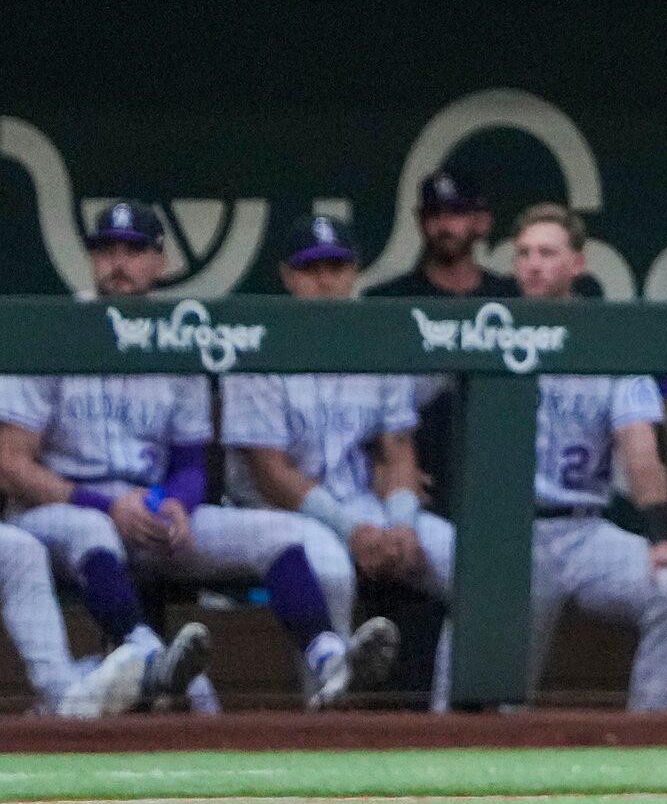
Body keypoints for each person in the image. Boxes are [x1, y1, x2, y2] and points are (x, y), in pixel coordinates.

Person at [0, 201, 396, 714]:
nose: (119, 262)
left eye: (134, 251)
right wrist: (104, 504)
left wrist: (176, 503)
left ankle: (328, 657)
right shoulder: (56, 331)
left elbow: (191, 461)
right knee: (90, 531)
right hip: (65, 509)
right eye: (107, 250)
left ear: (159, 261)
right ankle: (148, 655)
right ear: (91, 258)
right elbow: (12, 462)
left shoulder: (176, 337)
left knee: (281, 535)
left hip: (151, 508)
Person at [223, 218, 455, 706]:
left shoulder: (379, 341)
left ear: (356, 272)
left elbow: (396, 450)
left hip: (361, 505)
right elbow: (271, 473)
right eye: (311, 269)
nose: (325, 280)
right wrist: (353, 530)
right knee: (330, 571)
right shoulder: (257, 344)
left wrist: (403, 524)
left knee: (460, 560)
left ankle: (452, 717)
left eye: (336, 266)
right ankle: (326, 716)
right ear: (287, 276)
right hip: (283, 513)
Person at [506, 204, 667, 710]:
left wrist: (660, 536)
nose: (534, 264)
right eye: (524, 254)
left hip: (583, 528)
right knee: (491, 688)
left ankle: (649, 743)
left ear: (578, 264)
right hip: (510, 536)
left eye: (547, 253)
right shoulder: (490, 331)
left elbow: (641, 449)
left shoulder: (609, 339)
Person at [371, 170, 519, 300]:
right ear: (420, 221)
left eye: (457, 212)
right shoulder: (389, 299)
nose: (444, 224)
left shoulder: (509, 297)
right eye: (433, 213)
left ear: (481, 221)